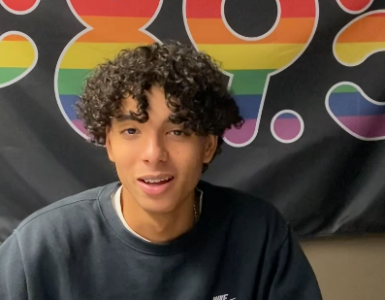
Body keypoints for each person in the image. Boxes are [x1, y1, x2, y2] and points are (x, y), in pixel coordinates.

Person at [0, 41, 322, 300]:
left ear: (208, 145)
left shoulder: (260, 235)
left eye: (177, 131)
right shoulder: (39, 248)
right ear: (108, 143)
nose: (154, 154)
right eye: (131, 132)